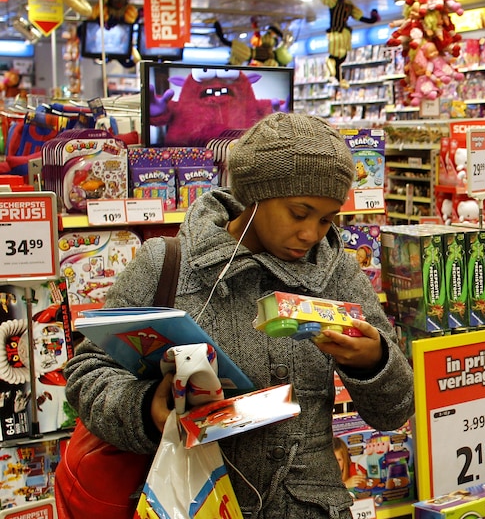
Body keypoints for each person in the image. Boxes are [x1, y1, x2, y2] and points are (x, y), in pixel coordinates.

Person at [64, 113, 415, 519]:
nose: (312, 234)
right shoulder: (169, 263)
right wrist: (146, 409)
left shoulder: (337, 273)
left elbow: (395, 410)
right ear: (255, 196)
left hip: (307, 507)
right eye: (299, 213)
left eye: (326, 219)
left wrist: (373, 362)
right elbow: (89, 372)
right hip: (189, 500)